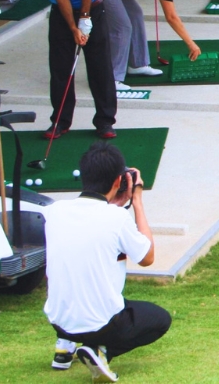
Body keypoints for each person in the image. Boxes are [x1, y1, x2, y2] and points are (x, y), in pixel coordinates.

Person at [44, 142, 168, 381]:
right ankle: (101, 351)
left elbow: (90, 229)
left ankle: (64, 347)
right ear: (117, 182)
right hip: (101, 323)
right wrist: (138, 201)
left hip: (58, 320)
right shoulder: (117, 217)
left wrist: (114, 204)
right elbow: (147, 257)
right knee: (160, 319)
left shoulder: (54, 212)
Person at [36, 0, 117, 139]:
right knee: (61, 69)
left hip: (93, 7)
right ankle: (60, 121)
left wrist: (85, 17)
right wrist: (73, 27)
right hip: (62, 14)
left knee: (100, 66)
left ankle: (105, 121)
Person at [102, 0, 203, 91]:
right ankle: (112, 79)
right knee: (122, 27)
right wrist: (191, 44)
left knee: (135, 14)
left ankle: (137, 64)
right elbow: (171, 17)